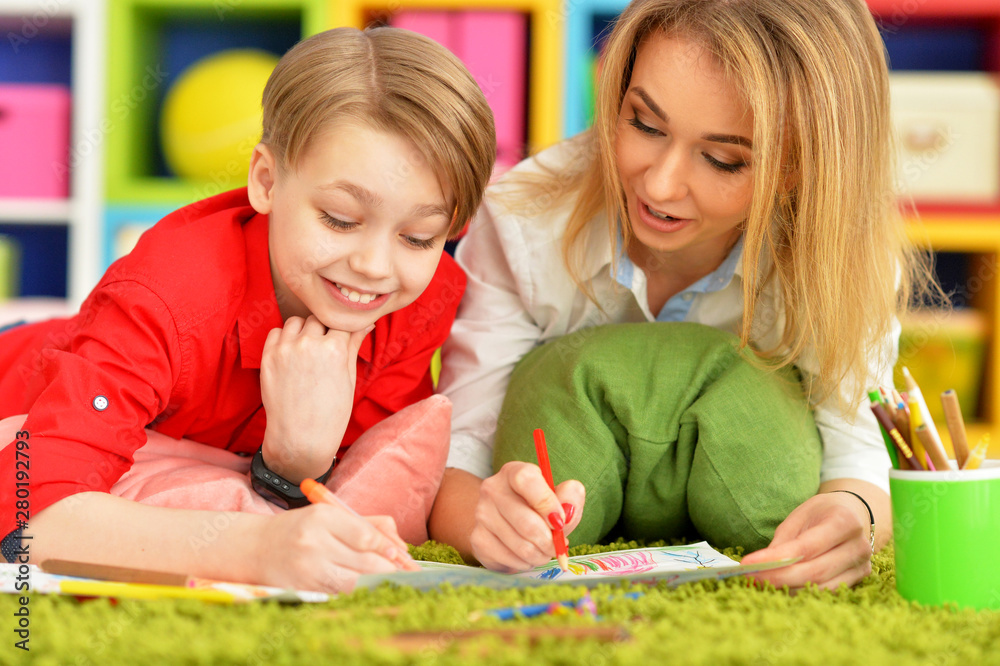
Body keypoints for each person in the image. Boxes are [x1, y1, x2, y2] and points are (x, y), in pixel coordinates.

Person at [430, 0, 935, 590]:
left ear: (803, 166)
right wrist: (485, 521)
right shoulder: (524, 219)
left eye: (723, 159)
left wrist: (854, 517)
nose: (662, 183)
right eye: (644, 123)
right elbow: (460, 451)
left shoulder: (841, 257)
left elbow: (859, 454)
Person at [0, 26, 495, 592]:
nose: (376, 266)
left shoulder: (421, 299)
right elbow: (29, 521)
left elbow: (369, 479)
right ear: (266, 180)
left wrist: (294, 467)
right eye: (339, 218)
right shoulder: (165, 299)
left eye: (419, 236)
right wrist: (259, 547)